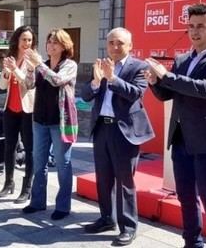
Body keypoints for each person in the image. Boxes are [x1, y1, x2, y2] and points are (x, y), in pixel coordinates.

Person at [144, 3, 206, 248]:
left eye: (201, 26)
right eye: (190, 26)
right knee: (186, 199)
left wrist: (166, 76)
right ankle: (192, 243)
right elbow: (168, 94)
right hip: (181, 139)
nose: (194, 31)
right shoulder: (183, 58)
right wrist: (156, 82)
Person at [80, 27, 154, 246]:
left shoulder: (139, 67)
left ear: (130, 45)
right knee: (103, 178)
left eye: (120, 43)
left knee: (124, 181)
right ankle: (106, 218)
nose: (114, 46)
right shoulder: (102, 66)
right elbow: (85, 95)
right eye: (111, 42)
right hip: (102, 128)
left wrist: (112, 78)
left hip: (124, 131)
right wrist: (95, 80)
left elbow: (136, 93)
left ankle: (128, 226)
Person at [22, 28, 78, 220]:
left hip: (60, 121)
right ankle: (37, 202)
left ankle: (63, 206)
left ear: (64, 46)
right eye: (49, 41)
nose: (50, 45)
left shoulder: (69, 65)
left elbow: (57, 80)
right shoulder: (41, 65)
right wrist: (30, 68)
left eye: (55, 42)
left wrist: (39, 65)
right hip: (39, 120)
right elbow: (29, 85)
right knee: (39, 162)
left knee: (63, 164)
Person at [0, 25, 36, 204]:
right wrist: (6, 71)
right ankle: (8, 183)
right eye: (24, 39)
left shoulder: (35, 60)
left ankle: (27, 188)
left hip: (27, 110)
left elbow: (29, 84)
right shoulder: (10, 58)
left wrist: (16, 70)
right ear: (17, 41)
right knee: (9, 147)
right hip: (10, 108)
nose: (27, 43)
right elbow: (1, 86)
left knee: (29, 149)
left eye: (29, 40)